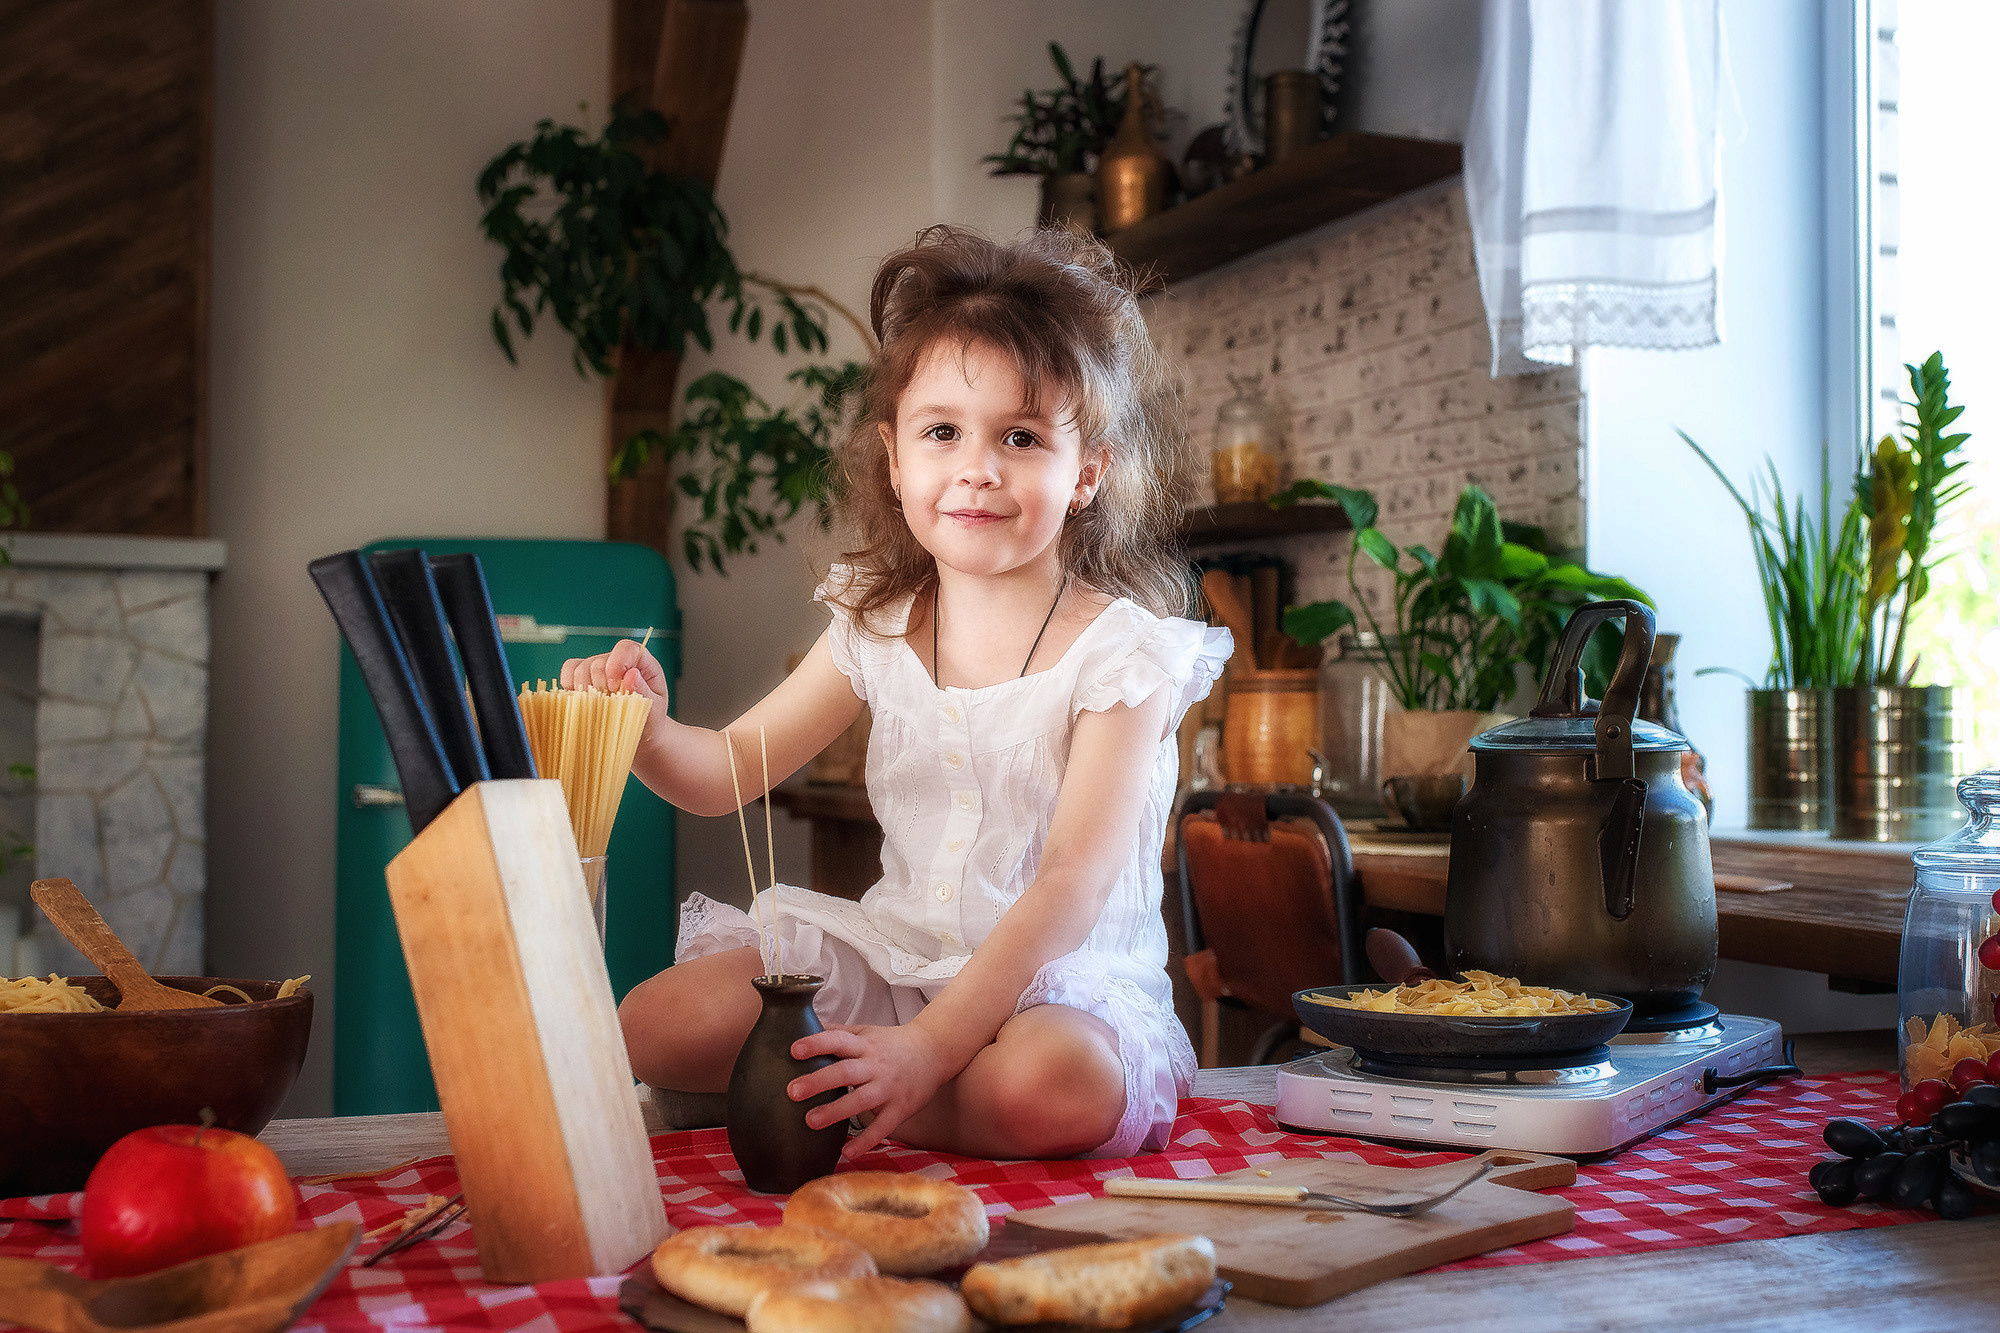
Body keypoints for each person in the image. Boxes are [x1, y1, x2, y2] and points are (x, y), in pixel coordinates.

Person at [567, 225, 1231, 1162]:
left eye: (1021, 437)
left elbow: (1069, 887)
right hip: (894, 966)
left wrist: (926, 1051)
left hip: (1056, 994)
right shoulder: (875, 622)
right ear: (894, 454)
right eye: (942, 431)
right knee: (653, 1022)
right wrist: (647, 731)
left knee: (1053, 1086)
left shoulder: (1125, 657)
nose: (977, 467)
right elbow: (727, 770)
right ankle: (876, 1084)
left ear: (1087, 471)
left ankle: (830, 1093)